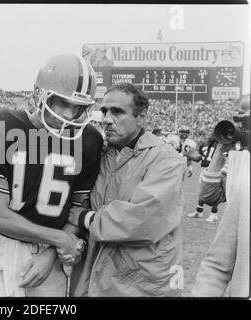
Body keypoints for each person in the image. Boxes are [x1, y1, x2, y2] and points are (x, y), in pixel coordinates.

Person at [0, 53, 103, 297]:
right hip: (4, 249)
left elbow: (77, 211)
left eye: (77, 107)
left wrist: (50, 253)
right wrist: (59, 239)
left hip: (51, 258)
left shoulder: (89, 140)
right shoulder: (1, 126)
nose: (69, 114)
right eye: (62, 103)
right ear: (39, 94)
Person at [67, 82, 187, 297]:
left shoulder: (166, 160)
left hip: (142, 283)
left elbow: (142, 221)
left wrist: (84, 218)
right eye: (104, 111)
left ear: (141, 117)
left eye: (117, 112)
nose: (106, 119)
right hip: (97, 276)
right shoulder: (101, 155)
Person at [191, 100, 250, 297]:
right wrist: (220, 151)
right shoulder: (243, 168)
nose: (243, 129)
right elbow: (209, 196)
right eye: (241, 122)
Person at [187, 133, 224, 222]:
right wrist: (188, 155)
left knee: (215, 192)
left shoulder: (220, 146)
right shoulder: (206, 144)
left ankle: (214, 213)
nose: (210, 136)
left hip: (215, 170)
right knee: (202, 191)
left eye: (212, 135)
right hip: (205, 169)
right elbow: (200, 157)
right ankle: (199, 211)